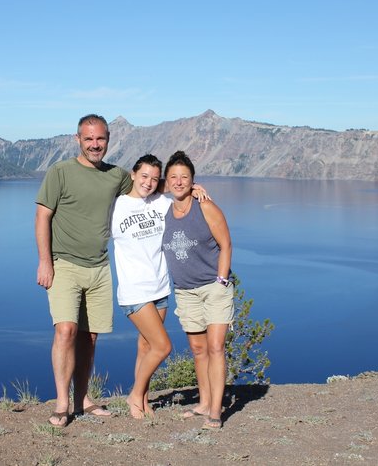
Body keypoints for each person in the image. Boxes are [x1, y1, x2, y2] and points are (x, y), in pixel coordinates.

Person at [35, 114, 132, 427]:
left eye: (100, 139)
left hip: (100, 267)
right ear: (77, 139)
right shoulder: (60, 172)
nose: (95, 144)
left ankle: (82, 399)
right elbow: (42, 218)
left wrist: (188, 187)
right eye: (88, 139)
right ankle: (62, 403)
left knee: (90, 338)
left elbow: (147, 187)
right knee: (65, 331)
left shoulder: (116, 175)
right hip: (64, 264)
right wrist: (45, 261)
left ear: (108, 140)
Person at [161, 150, 234, 430]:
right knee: (198, 349)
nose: (179, 182)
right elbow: (140, 182)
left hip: (213, 288)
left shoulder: (205, 206)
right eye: (173, 177)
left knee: (215, 347)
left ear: (193, 180)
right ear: (166, 182)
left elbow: (226, 244)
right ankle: (204, 403)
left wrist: (221, 280)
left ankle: (215, 411)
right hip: (185, 290)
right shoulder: (162, 210)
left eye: (185, 177)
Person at [109, 154, 173, 419]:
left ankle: (143, 401)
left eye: (154, 178)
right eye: (144, 176)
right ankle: (135, 394)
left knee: (147, 347)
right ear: (133, 174)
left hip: (160, 288)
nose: (148, 182)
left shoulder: (161, 202)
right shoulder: (115, 206)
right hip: (135, 291)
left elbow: (183, 200)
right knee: (163, 346)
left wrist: (196, 190)